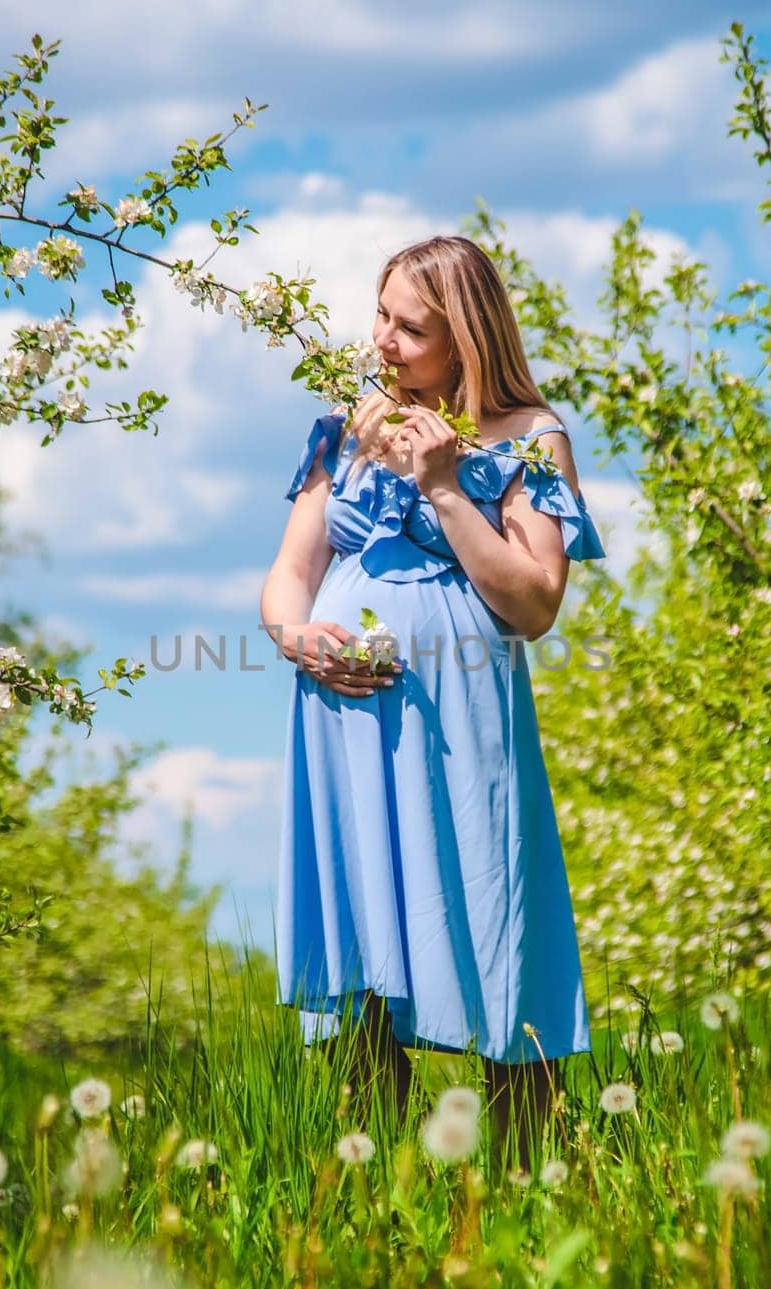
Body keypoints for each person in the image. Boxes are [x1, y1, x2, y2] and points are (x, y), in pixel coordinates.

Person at [259, 234, 606, 1173]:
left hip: (458, 726)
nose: (383, 342)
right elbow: (288, 579)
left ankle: (532, 1177)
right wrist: (298, 641)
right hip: (340, 720)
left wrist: (443, 486)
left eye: (409, 328)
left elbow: (533, 605)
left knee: (490, 914)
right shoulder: (343, 427)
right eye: (380, 315)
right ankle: (390, 1185)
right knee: (360, 948)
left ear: (467, 338)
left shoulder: (531, 437)